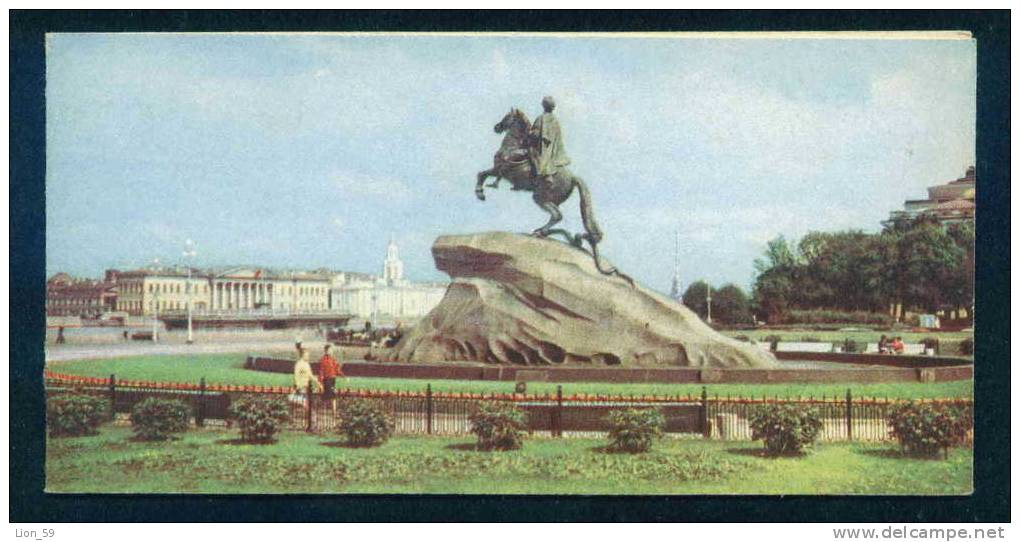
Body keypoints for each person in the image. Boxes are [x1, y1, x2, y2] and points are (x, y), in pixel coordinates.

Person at [529, 96, 571, 190]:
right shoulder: (555, 120)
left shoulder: (541, 118)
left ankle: (537, 176)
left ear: (544, 106)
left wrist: (530, 133)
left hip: (543, 146)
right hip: (552, 147)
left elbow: (535, 133)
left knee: (530, 152)